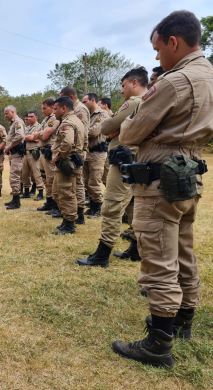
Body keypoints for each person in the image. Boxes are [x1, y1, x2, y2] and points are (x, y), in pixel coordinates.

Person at [112, 10, 213, 368]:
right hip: (190, 173)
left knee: (158, 257)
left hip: (159, 178)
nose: (156, 57)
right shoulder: (210, 75)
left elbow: (129, 132)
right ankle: (184, 322)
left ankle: (159, 343)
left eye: (157, 49)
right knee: (184, 249)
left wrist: (147, 129)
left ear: (173, 42)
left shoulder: (173, 81)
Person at [76, 67, 149, 267]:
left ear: (135, 83)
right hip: (138, 159)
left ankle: (102, 254)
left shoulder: (133, 102)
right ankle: (135, 248)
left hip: (123, 158)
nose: (121, 91)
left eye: (123, 85)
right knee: (134, 205)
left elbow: (105, 127)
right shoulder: (149, 100)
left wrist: (114, 129)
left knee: (112, 205)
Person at [50, 97, 84, 234]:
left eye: (56, 109)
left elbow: (68, 143)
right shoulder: (76, 120)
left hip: (66, 163)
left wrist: (58, 156)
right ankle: (66, 219)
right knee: (58, 192)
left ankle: (70, 225)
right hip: (71, 161)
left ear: (64, 108)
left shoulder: (67, 123)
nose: (54, 112)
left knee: (66, 193)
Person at [60, 87, 89, 224]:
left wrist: (80, 151)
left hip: (74, 154)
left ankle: (78, 214)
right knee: (75, 185)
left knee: (75, 186)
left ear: (70, 98)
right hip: (75, 152)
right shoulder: (73, 112)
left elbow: (83, 134)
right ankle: (76, 214)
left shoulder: (80, 110)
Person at [82, 93, 109, 218]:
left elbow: (94, 132)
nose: (83, 104)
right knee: (87, 182)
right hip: (87, 153)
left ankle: (98, 206)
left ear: (93, 100)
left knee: (94, 182)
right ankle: (92, 206)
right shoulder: (87, 116)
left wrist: (80, 132)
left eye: (85, 101)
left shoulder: (102, 114)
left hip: (98, 153)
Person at [31, 98, 60, 212]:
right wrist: (38, 134)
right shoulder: (45, 120)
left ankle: (55, 204)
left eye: (44, 108)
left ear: (52, 107)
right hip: (42, 151)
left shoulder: (54, 118)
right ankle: (49, 201)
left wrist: (38, 135)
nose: (42, 110)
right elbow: (35, 134)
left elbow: (45, 135)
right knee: (45, 178)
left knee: (52, 179)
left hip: (50, 151)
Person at [3, 106, 25, 210]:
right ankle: (14, 199)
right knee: (13, 177)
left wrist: (9, 146)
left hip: (17, 154)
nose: (5, 115)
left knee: (14, 177)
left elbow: (20, 136)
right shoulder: (13, 123)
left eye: (6, 113)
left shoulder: (17, 122)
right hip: (13, 154)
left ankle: (16, 202)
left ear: (13, 112)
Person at [21, 111, 45, 200]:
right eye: (29, 116)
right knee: (24, 174)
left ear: (37, 117)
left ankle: (41, 192)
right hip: (25, 153)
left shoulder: (40, 127)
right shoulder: (26, 128)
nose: (30, 118)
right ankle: (26, 191)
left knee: (37, 173)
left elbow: (36, 138)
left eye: (32, 116)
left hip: (34, 153)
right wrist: (31, 137)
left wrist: (30, 137)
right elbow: (23, 137)